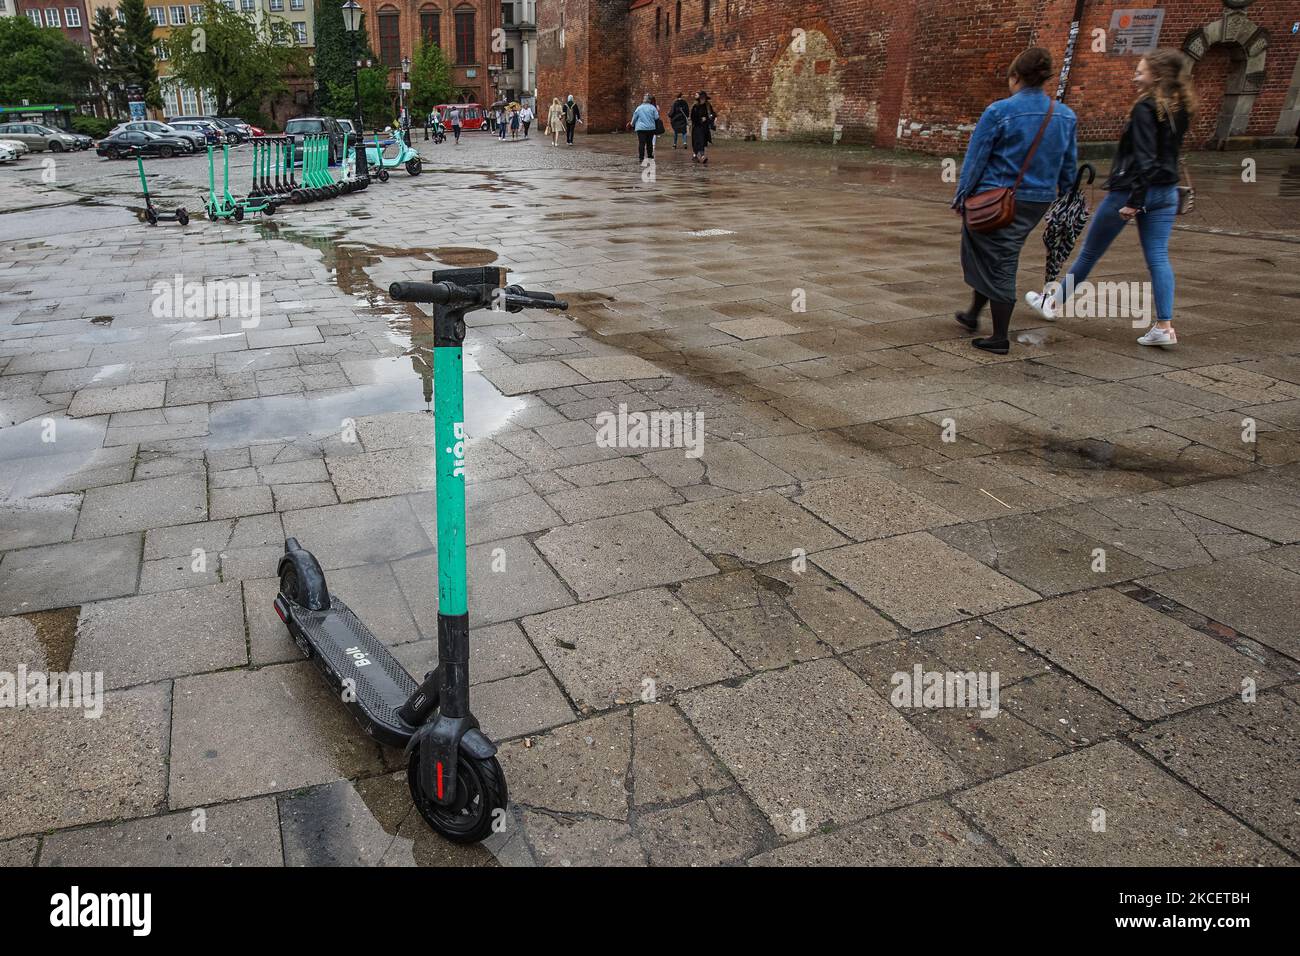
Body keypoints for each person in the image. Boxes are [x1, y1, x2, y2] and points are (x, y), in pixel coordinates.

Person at [1026, 49, 1194, 348]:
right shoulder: (1179, 108)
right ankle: (1164, 326)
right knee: (1158, 256)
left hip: (1130, 191)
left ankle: (1051, 303)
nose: (1135, 75)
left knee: (1090, 252)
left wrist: (1134, 201)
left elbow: (1144, 158)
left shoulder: (1145, 108)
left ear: (1156, 75)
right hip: (1166, 192)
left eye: (1140, 71)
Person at [952, 47, 1078, 354]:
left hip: (995, 199)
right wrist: (1066, 195)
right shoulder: (1064, 115)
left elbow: (976, 158)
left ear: (1015, 77)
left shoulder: (999, 111)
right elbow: (1069, 164)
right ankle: (972, 314)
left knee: (1001, 260)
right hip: (1038, 200)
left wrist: (962, 195)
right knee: (993, 254)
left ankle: (998, 337)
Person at [632, 93, 660, 163]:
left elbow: (634, 117)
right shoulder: (653, 108)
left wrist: (632, 124)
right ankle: (650, 156)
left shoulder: (639, 108)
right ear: (650, 101)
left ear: (644, 100)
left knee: (641, 143)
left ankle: (641, 158)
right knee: (649, 143)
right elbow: (657, 118)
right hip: (650, 128)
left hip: (641, 128)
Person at [689, 91, 715, 164]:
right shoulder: (695, 107)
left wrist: (710, 117)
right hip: (697, 127)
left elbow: (712, 113)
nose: (703, 100)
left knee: (702, 142)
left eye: (704, 99)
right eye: (702, 98)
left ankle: (695, 156)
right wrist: (700, 120)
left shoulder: (708, 106)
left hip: (704, 127)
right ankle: (702, 156)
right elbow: (693, 117)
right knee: (698, 142)